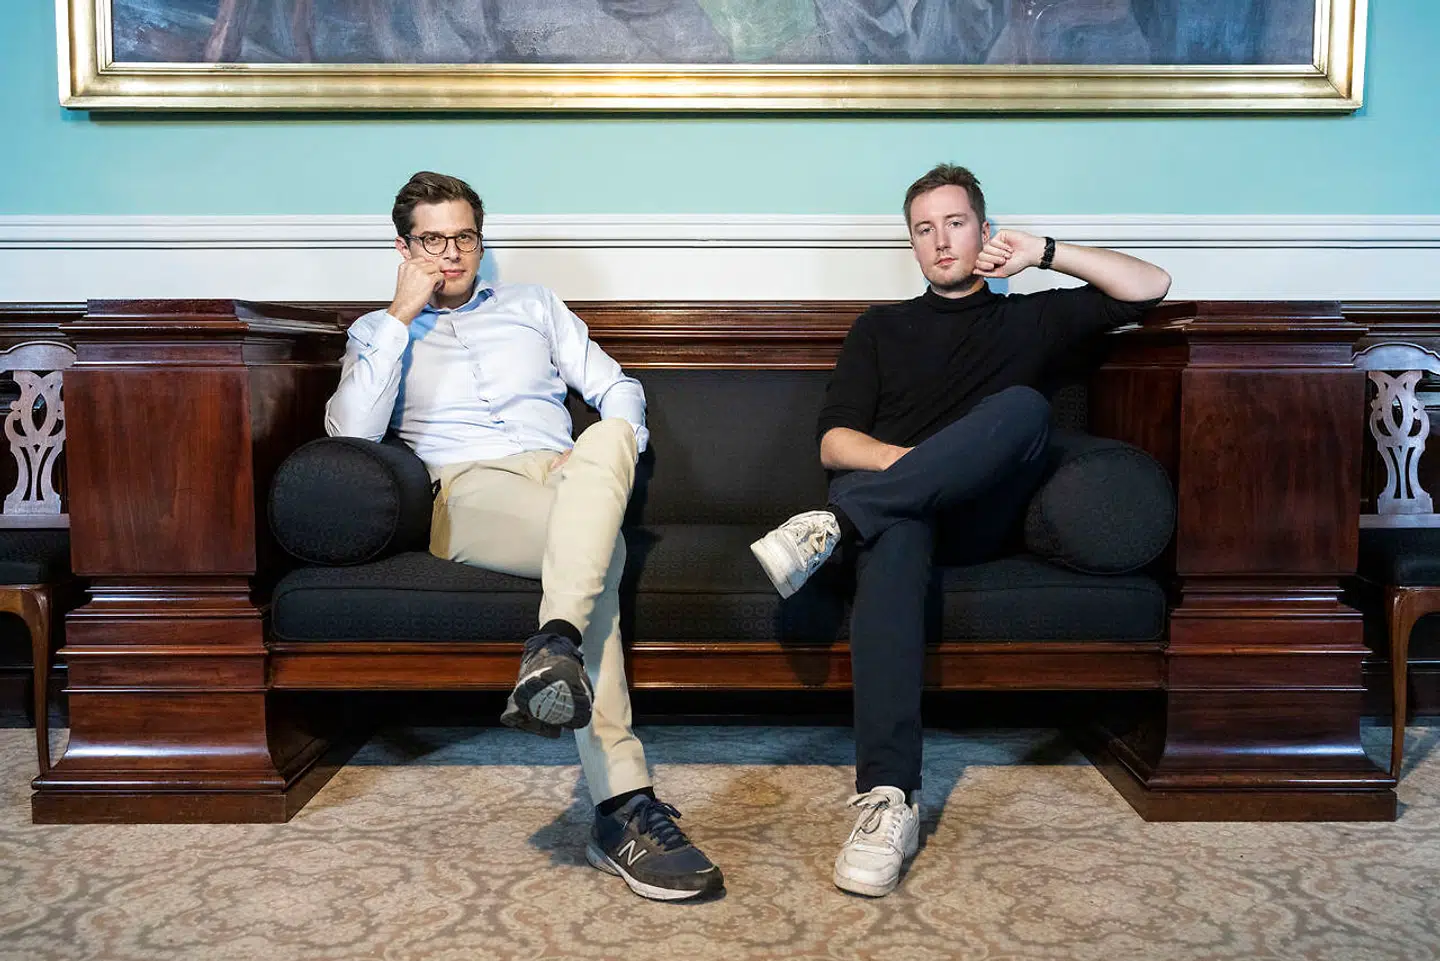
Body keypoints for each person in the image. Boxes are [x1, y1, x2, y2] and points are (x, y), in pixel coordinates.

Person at [750, 163, 1171, 897]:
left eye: (955, 223)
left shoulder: (1029, 319)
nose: (940, 240)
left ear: (983, 230)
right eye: (924, 229)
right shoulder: (879, 328)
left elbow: (1151, 285)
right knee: (899, 531)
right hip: (897, 516)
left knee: (1026, 409)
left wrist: (1044, 252)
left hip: (972, 515)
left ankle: (834, 527)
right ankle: (889, 796)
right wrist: (914, 469)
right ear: (912, 244)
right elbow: (835, 443)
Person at [324, 171, 722, 902]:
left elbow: (618, 387)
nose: (451, 253)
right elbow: (350, 434)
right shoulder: (376, 332)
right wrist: (400, 315)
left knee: (609, 435)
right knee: (605, 551)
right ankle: (622, 803)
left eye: (464, 237)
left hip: (567, 476)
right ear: (403, 248)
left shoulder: (534, 305)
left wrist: (601, 454)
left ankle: (555, 645)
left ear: (482, 241)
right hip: (470, 488)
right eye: (432, 240)